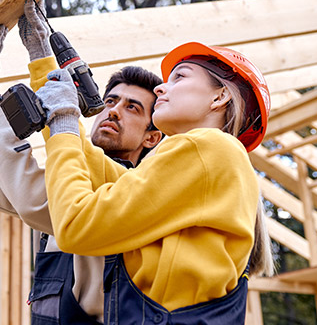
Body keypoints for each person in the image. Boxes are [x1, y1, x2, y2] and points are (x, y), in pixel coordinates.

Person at [0, 1, 163, 323]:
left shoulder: (135, 191)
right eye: (111, 100)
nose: (113, 110)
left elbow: (34, 198)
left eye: (132, 108)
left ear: (151, 138)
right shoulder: (66, 178)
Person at [35, 42, 275, 324]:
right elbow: (97, 169)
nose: (161, 88)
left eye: (180, 76)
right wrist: (44, 69)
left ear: (219, 96)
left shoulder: (209, 147)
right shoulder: (197, 163)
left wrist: (63, 117)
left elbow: (77, 224)